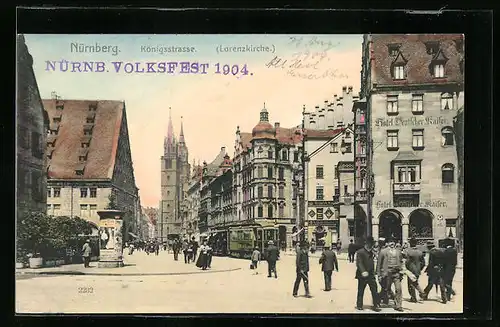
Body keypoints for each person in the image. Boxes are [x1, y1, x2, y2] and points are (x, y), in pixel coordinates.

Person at [377, 237, 404, 311]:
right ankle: (377, 300)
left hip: (396, 273)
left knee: (398, 289)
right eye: (390, 242)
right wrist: (379, 275)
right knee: (385, 289)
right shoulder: (383, 251)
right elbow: (379, 264)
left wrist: (402, 271)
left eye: (393, 242)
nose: (392, 243)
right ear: (388, 243)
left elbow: (401, 262)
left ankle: (398, 305)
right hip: (387, 273)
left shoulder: (398, 251)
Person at [355, 236, 381, 312]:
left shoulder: (371, 251)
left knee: (374, 289)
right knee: (361, 290)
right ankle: (359, 305)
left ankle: (376, 304)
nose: (371, 245)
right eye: (370, 244)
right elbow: (359, 263)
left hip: (371, 274)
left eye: (372, 244)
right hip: (362, 275)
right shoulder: (360, 252)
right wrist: (363, 271)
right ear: (366, 243)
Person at [403, 237, 426, 303]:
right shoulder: (420, 252)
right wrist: (420, 268)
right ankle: (415, 296)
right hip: (418, 270)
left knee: (411, 284)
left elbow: (407, 262)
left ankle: (417, 295)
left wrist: (407, 269)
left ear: (410, 243)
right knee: (414, 282)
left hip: (410, 270)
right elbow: (423, 263)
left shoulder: (408, 251)